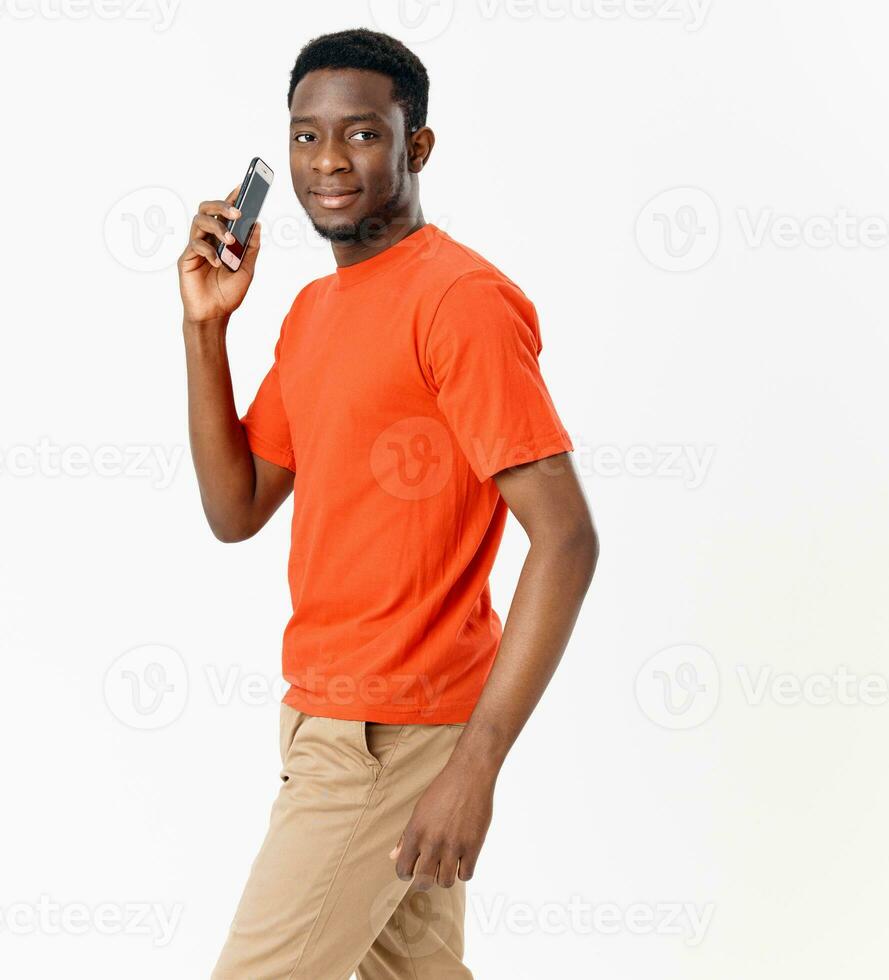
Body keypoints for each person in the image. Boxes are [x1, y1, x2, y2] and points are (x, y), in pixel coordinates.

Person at [179, 28, 601, 979]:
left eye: (362, 134)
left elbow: (566, 540)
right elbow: (236, 506)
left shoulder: (460, 302)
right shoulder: (316, 312)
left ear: (417, 147)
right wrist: (205, 330)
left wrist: (475, 767)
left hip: (386, 733)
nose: (328, 161)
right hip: (323, 715)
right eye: (305, 136)